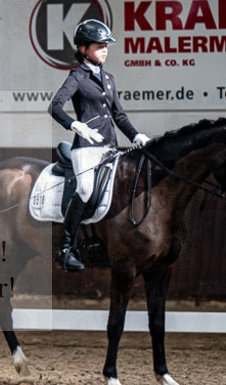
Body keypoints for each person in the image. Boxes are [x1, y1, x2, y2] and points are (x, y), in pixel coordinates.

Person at [48, 19, 151, 271]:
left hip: (110, 147)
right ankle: (66, 248)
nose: (104, 50)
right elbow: (55, 106)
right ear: (83, 49)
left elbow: (119, 115)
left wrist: (136, 135)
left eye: (106, 46)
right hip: (85, 147)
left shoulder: (109, 79)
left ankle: (108, 242)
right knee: (84, 189)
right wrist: (75, 125)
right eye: (98, 46)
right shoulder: (77, 77)